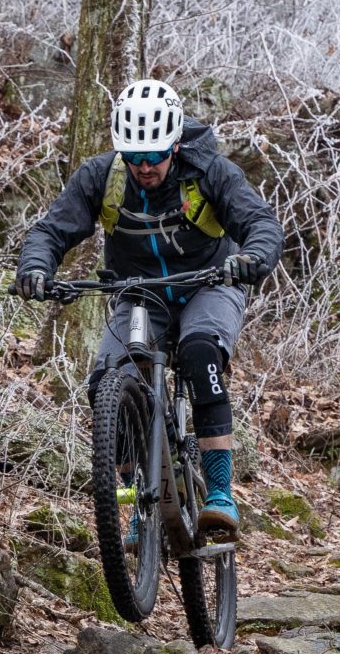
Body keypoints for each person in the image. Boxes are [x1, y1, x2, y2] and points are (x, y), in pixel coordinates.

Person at [14, 80, 284, 533]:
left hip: (210, 284)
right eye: (134, 157)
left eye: (154, 156)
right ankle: (135, 493)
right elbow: (50, 231)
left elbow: (260, 222)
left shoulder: (210, 172)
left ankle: (220, 492)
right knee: (108, 380)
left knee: (200, 352)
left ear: (174, 144)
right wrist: (36, 268)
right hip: (141, 292)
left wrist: (251, 259)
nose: (144, 167)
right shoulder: (103, 176)